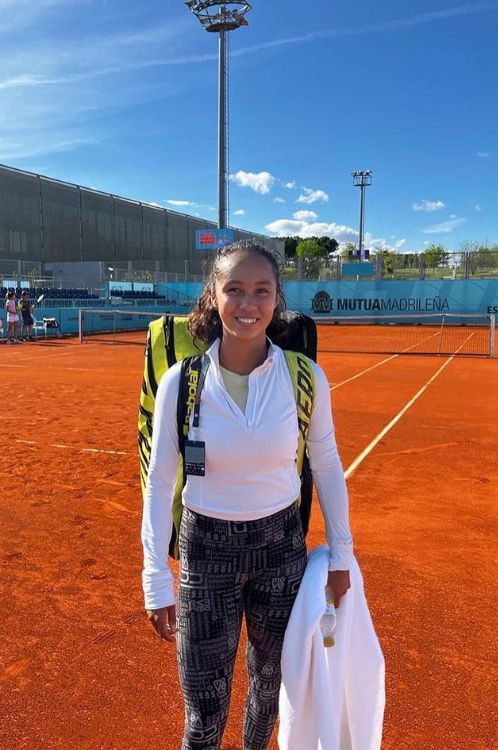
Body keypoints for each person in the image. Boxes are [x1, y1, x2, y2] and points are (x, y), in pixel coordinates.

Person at [141, 241, 354, 750]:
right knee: (203, 713)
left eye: (261, 291)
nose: (247, 304)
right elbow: (159, 479)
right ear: (212, 296)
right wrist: (155, 576)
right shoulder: (181, 382)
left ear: (277, 298)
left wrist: (342, 553)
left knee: (268, 689)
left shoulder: (305, 378)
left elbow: (325, 466)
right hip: (205, 554)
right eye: (233, 289)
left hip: (281, 552)